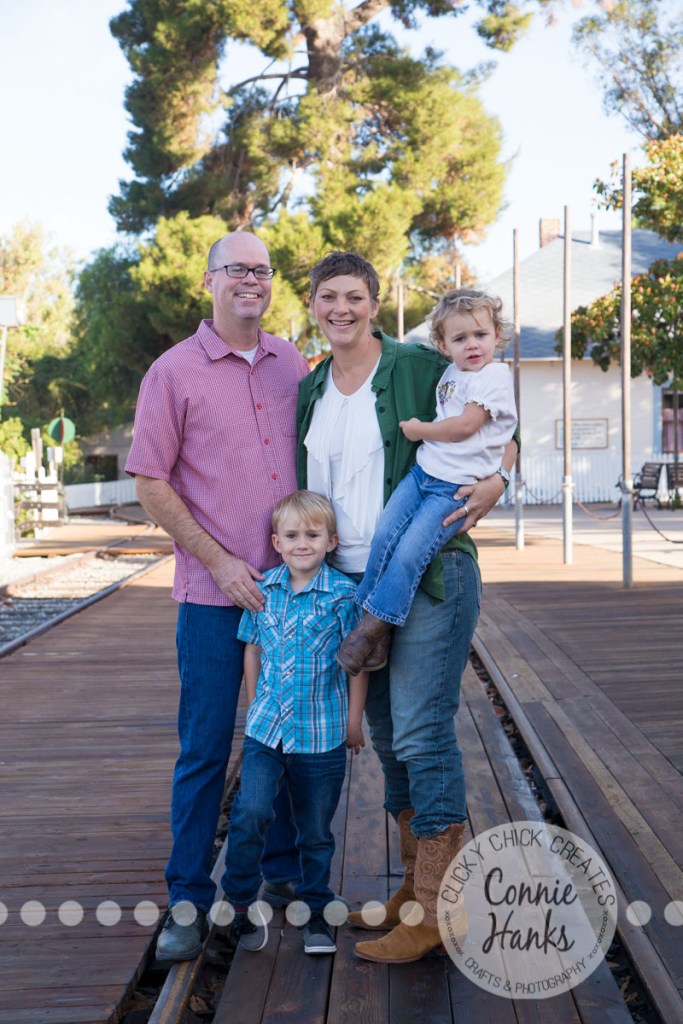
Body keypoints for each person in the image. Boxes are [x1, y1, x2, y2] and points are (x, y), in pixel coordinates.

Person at [297, 251, 519, 964]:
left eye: (355, 296)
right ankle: (411, 893)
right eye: (328, 297)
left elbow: (496, 422)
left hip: (430, 577)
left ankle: (437, 909)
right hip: (355, 582)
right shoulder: (310, 388)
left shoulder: (420, 363)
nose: (342, 308)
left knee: (422, 734)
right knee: (390, 739)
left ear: (374, 301)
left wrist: (500, 480)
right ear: (311, 304)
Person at [125, 231, 310, 962]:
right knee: (204, 747)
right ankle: (186, 900)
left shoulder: (291, 362)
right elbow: (148, 480)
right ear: (208, 281)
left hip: (291, 594)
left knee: (290, 737)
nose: (250, 280)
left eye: (262, 270)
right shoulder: (171, 372)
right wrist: (221, 560)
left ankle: (288, 879)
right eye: (236, 268)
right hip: (211, 592)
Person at [336, 288, 517, 676]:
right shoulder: (450, 371)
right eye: (460, 338)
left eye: (481, 335)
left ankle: (369, 629)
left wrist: (420, 430)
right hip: (423, 474)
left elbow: (467, 425)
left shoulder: (494, 377)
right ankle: (371, 623)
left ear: (496, 334)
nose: (472, 345)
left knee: (410, 552)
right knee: (384, 535)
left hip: (453, 488)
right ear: (443, 345)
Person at [221, 490, 368, 955]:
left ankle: (317, 912)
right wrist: (252, 705)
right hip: (267, 729)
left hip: (322, 733)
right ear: (276, 542)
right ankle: (239, 905)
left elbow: (356, 663)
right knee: (251, 812)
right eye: (291, 535)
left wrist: (353, 721)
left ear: (331, 541)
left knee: (316, 831)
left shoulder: (344, 596)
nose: (302, 542)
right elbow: (253, 648)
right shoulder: (263, 590)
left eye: (312, 534)